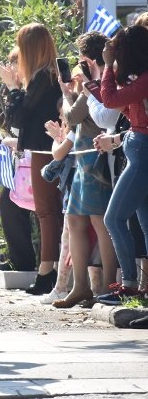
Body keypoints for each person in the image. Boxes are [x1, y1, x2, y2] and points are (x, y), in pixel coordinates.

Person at [52, 32, 118, 308]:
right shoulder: (94, 82)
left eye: (82, 60)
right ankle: (80, 286)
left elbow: (72, 116)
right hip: (82, 160)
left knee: (100, 223)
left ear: (90, 60)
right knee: (76, 221)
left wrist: (68, 94)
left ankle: (106, 286)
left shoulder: (101, 81)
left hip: (95, 160)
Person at [0, 23, 64, 295]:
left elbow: (20, 117)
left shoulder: (44, 77)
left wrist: (13, 86)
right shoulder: (45, 75)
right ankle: (49, 270)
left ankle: (47, 272)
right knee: (48, 213)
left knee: (47, 213)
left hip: (46, 150)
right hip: (45, 149)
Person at [97, 25, 148, 304]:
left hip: (142, 153)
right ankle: (139, 285)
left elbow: (110, 100)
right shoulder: (140, 78)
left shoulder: (144, 79)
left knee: (113, 218)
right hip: (137, 149)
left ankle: (128, 283)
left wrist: (106, 65)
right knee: (145, 222)